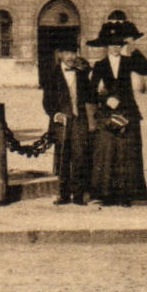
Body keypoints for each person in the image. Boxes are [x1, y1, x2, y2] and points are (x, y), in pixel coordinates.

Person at [87, 19, 147, 206]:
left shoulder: (128, 61)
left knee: (126, 156)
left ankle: (124, 195)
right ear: (106, 46)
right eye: (112, 44)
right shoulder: (99, 65)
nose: (115, 47)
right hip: (107, 114)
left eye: (118, 44)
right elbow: (90, 91)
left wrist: (134, 50)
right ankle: (108, 194)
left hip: (128, 111)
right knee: (109, 155)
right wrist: (105, 99)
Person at [40, 47, 93, 204]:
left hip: (79, 120)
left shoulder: (82, 73)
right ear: (60, 55)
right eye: (67, 53)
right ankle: (63, 194)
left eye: (73, 53)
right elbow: (47, 101)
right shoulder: (51, 75)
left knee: (80, 156)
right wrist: (56, 115)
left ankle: (78, 195)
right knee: (63, 157)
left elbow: (91, 95)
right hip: (61, 122)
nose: (71, 57)